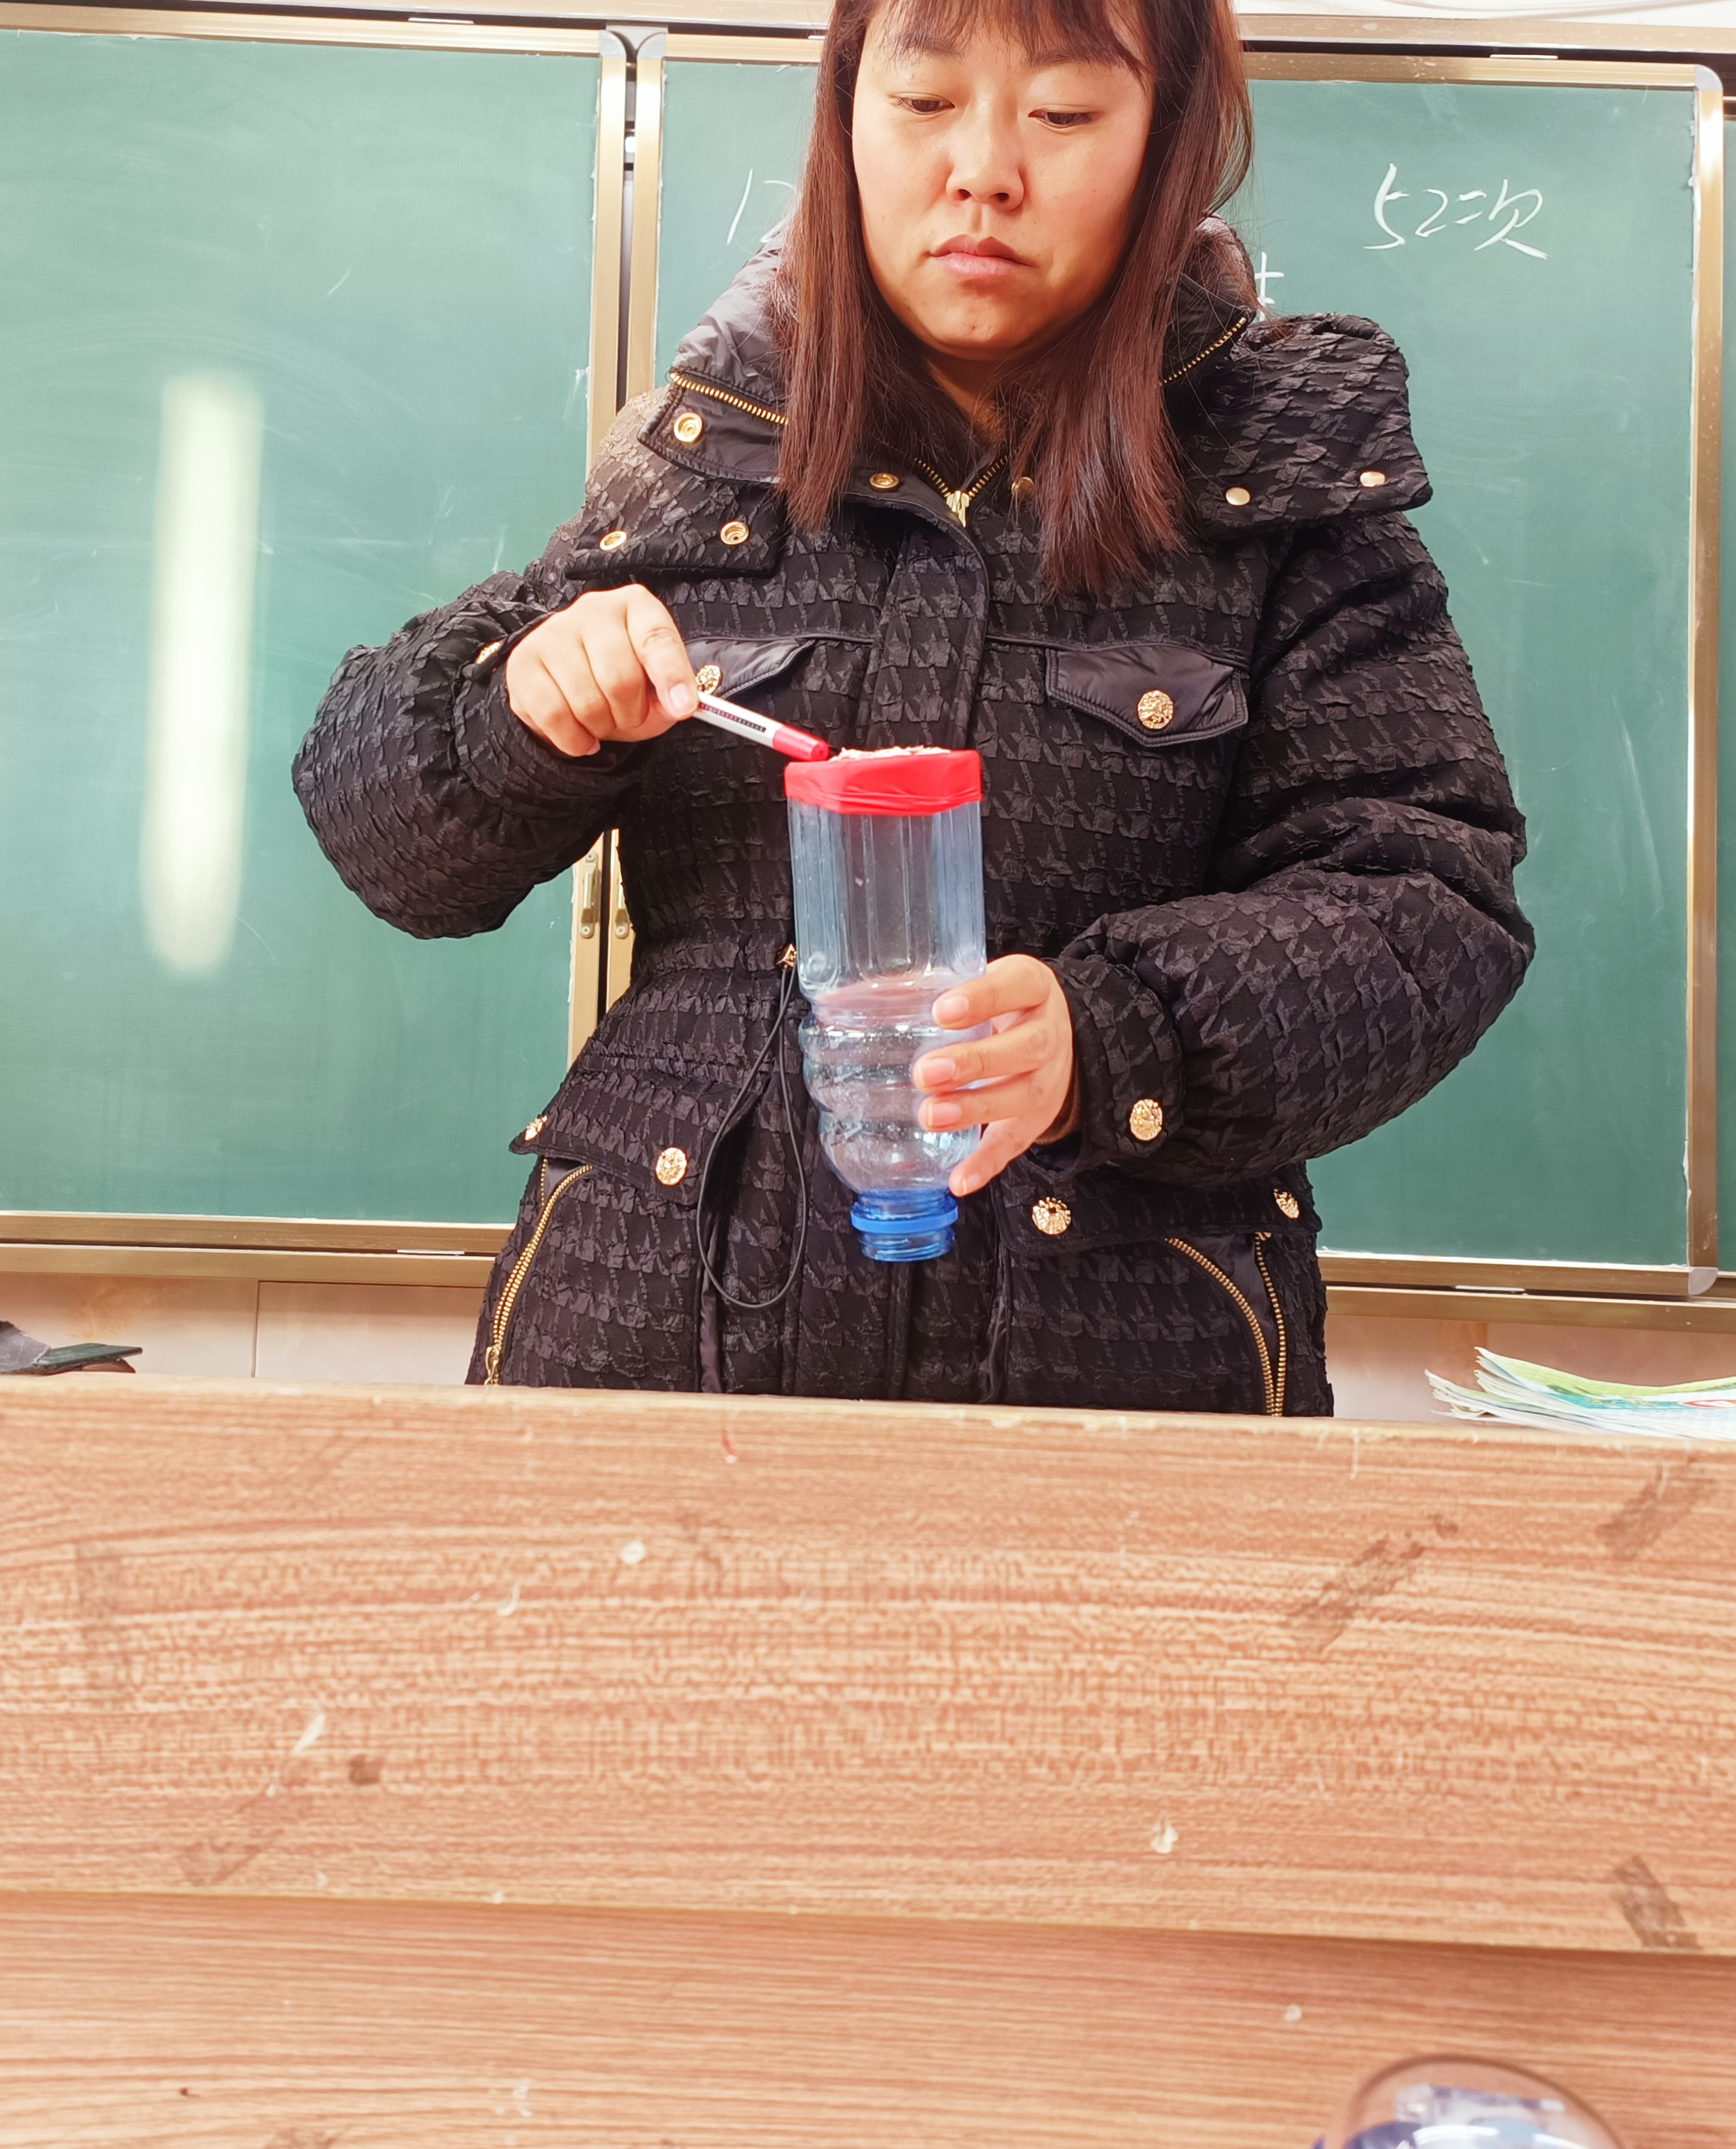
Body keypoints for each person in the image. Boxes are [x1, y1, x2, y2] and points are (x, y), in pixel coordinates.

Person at [296, 0, 1529, 1413]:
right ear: (843, 122)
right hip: (643, 1369)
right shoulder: (703, 458)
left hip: (1118, 1395)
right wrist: (519, 711)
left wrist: (1111, 1035)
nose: (983, 171)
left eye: (1063, 114)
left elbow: (1428, 897)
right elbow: (389, 840)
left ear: (1166, 145)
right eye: (925, 103)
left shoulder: (1278, 488)